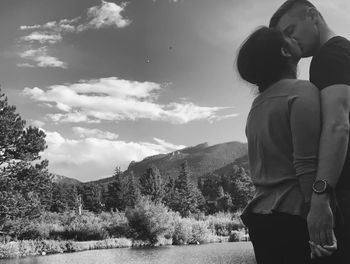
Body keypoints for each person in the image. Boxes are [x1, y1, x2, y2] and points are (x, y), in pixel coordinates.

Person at [270, 1, 350, 263]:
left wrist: (320, 197)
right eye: (285, 37)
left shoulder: (331, 55)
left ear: (313, 15)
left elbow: (338, 125)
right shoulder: (340, 52)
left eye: (291, 29)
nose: (291, 40)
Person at [237, 26, 321, 264]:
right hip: (294, 216)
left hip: (260, 219)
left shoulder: (256, 106)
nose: (297, 38)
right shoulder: (302, 91)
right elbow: (305, 164)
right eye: (290, 37)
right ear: (284, 51)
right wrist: (318, 213)